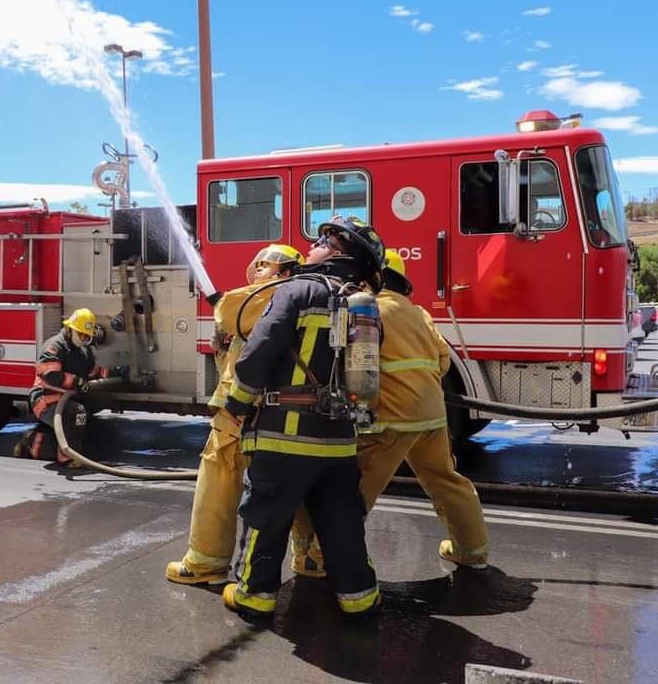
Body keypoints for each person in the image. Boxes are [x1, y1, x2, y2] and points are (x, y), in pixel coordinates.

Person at [221, 215, 386, 619]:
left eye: (321, 238)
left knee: (266, 515)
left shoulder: (296, 290)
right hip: (340, 440)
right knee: (341, 521)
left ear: (337, 249)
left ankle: (254, 596)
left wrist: (237, 405)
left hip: (284, 436)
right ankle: (359, 597)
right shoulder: (365, 307)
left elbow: (258, 352)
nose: (311, 244)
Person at [291, 250, 490, 571]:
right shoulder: (418, 313)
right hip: (433, 417)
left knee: (355, 489)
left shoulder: (367, 311)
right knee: (446, 480)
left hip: (389, 418)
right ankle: (472, 549)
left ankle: (320, 557)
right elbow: (441, 362)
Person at [165, 244, 304, 586]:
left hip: (240, 411)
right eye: (256, 266)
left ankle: (205, 563)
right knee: (297, 486)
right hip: (285, 412)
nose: (257, 272)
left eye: (265, 266)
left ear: (285, 272)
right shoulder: (305, 297)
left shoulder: (271, 294)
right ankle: (311, 557)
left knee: (219, 481)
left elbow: (228, 310)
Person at [15, 308, 127, 466]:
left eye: (87, 336)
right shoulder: (55, 346)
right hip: (46, 400)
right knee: (77, 413)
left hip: (68, 398)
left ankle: (37, 439)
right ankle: (67, 457)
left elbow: (93, 371)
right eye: (81, 334)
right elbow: (50, 375)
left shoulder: (83, 350)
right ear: (69, 329)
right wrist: (76, 381)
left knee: (96, 403)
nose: (84, 338)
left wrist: (117, 372)